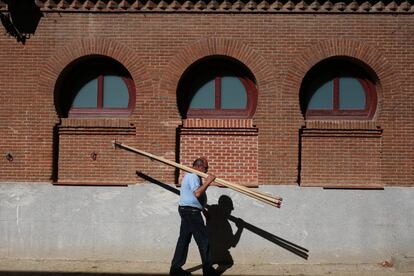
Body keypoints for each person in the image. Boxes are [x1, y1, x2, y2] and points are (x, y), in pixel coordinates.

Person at [170, 158, 219, 276]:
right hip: (191, 212)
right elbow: (197, 193)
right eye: (206, 168)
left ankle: (175, 270)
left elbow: (192, 198)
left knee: (184, 240)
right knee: (203, 240)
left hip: (188, 210)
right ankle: (208, 271)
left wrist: (202, 209)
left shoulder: (194, 175)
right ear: (199, 167)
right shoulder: (193, 176)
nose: (207, 170)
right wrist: (208, 181)